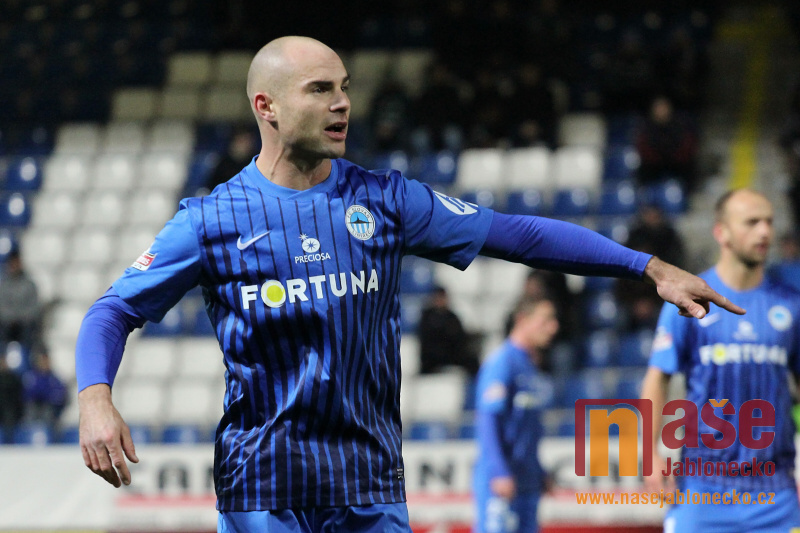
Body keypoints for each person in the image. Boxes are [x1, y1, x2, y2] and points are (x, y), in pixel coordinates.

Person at [76, 36, 743, 533]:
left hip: (369, 486)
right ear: (266, 106)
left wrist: (646, 266)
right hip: (264, 493)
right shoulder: (211, 219)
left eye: (343, 87)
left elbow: (517, 235)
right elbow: (111, 312)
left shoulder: (385, 200)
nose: (342, 102)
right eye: (319, 89)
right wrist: (95, 397)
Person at [641, 189, 800, 532]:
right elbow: (658, 377)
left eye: (769, 222)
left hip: (776, 491)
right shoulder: (686, 300)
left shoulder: (791, 305)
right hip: (702, 487)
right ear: (721, 232)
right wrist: (649, 454)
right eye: (752, 222)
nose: (764, 231)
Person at [473, 296, 558, 533]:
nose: (553, 327)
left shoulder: (531, 367)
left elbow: (528, 429)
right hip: (502, 481)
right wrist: (499, 471)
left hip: (527, 482)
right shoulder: (502, 363)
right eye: (546, 320)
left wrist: (539, 471)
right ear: (522, 320)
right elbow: (488, 421)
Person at [635, 96, 698, 192]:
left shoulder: (680, 126)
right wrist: (659, 157)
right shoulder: (646, 128)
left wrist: (671, 156)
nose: (661, 111)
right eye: (658, 108)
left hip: (677, 165)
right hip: (653, 166)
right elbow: (644, 150)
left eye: (664, 108)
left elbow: (687, 149)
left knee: (689, 171)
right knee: (644, 173)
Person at [418, 286, 478, 376]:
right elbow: (426, 341)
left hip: (451, 355)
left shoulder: (452, 317)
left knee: (472, 361)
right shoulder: (427, 318)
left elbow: (460, 339)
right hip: (433, 358)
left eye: (442, 297)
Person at [0, 249, 40, 349]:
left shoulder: (29, 284)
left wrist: (20, 318)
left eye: (16, 263)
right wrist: (11, 318)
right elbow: (2, 306)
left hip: (25, 323)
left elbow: (34, 307)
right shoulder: (4, 285)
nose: (14, 266)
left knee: (30, 331)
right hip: (7, 323)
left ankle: (27, 355)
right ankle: (3, 355)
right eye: (12, 263)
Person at [204, 126, 259, 192]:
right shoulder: (224, 164)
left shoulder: (256, 163)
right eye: (241, 141)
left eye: (248, 141)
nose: (245, 145)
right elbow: (213, 188)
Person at [23, 347, 67, 428]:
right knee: (31, 411)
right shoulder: (31, 376)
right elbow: (28, 394)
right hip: (34, 406)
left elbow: (60, 395)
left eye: (46, 360)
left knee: (49, 413)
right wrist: (44, 394)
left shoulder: (53, 378)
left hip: (49, 408)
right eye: (42, 360)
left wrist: (47, 395)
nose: (44, 363)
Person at [0, 354, 24, 444]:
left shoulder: (12, 378)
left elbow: (17, 397)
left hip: (9, 409)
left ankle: (9, 444)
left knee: (9, 417)